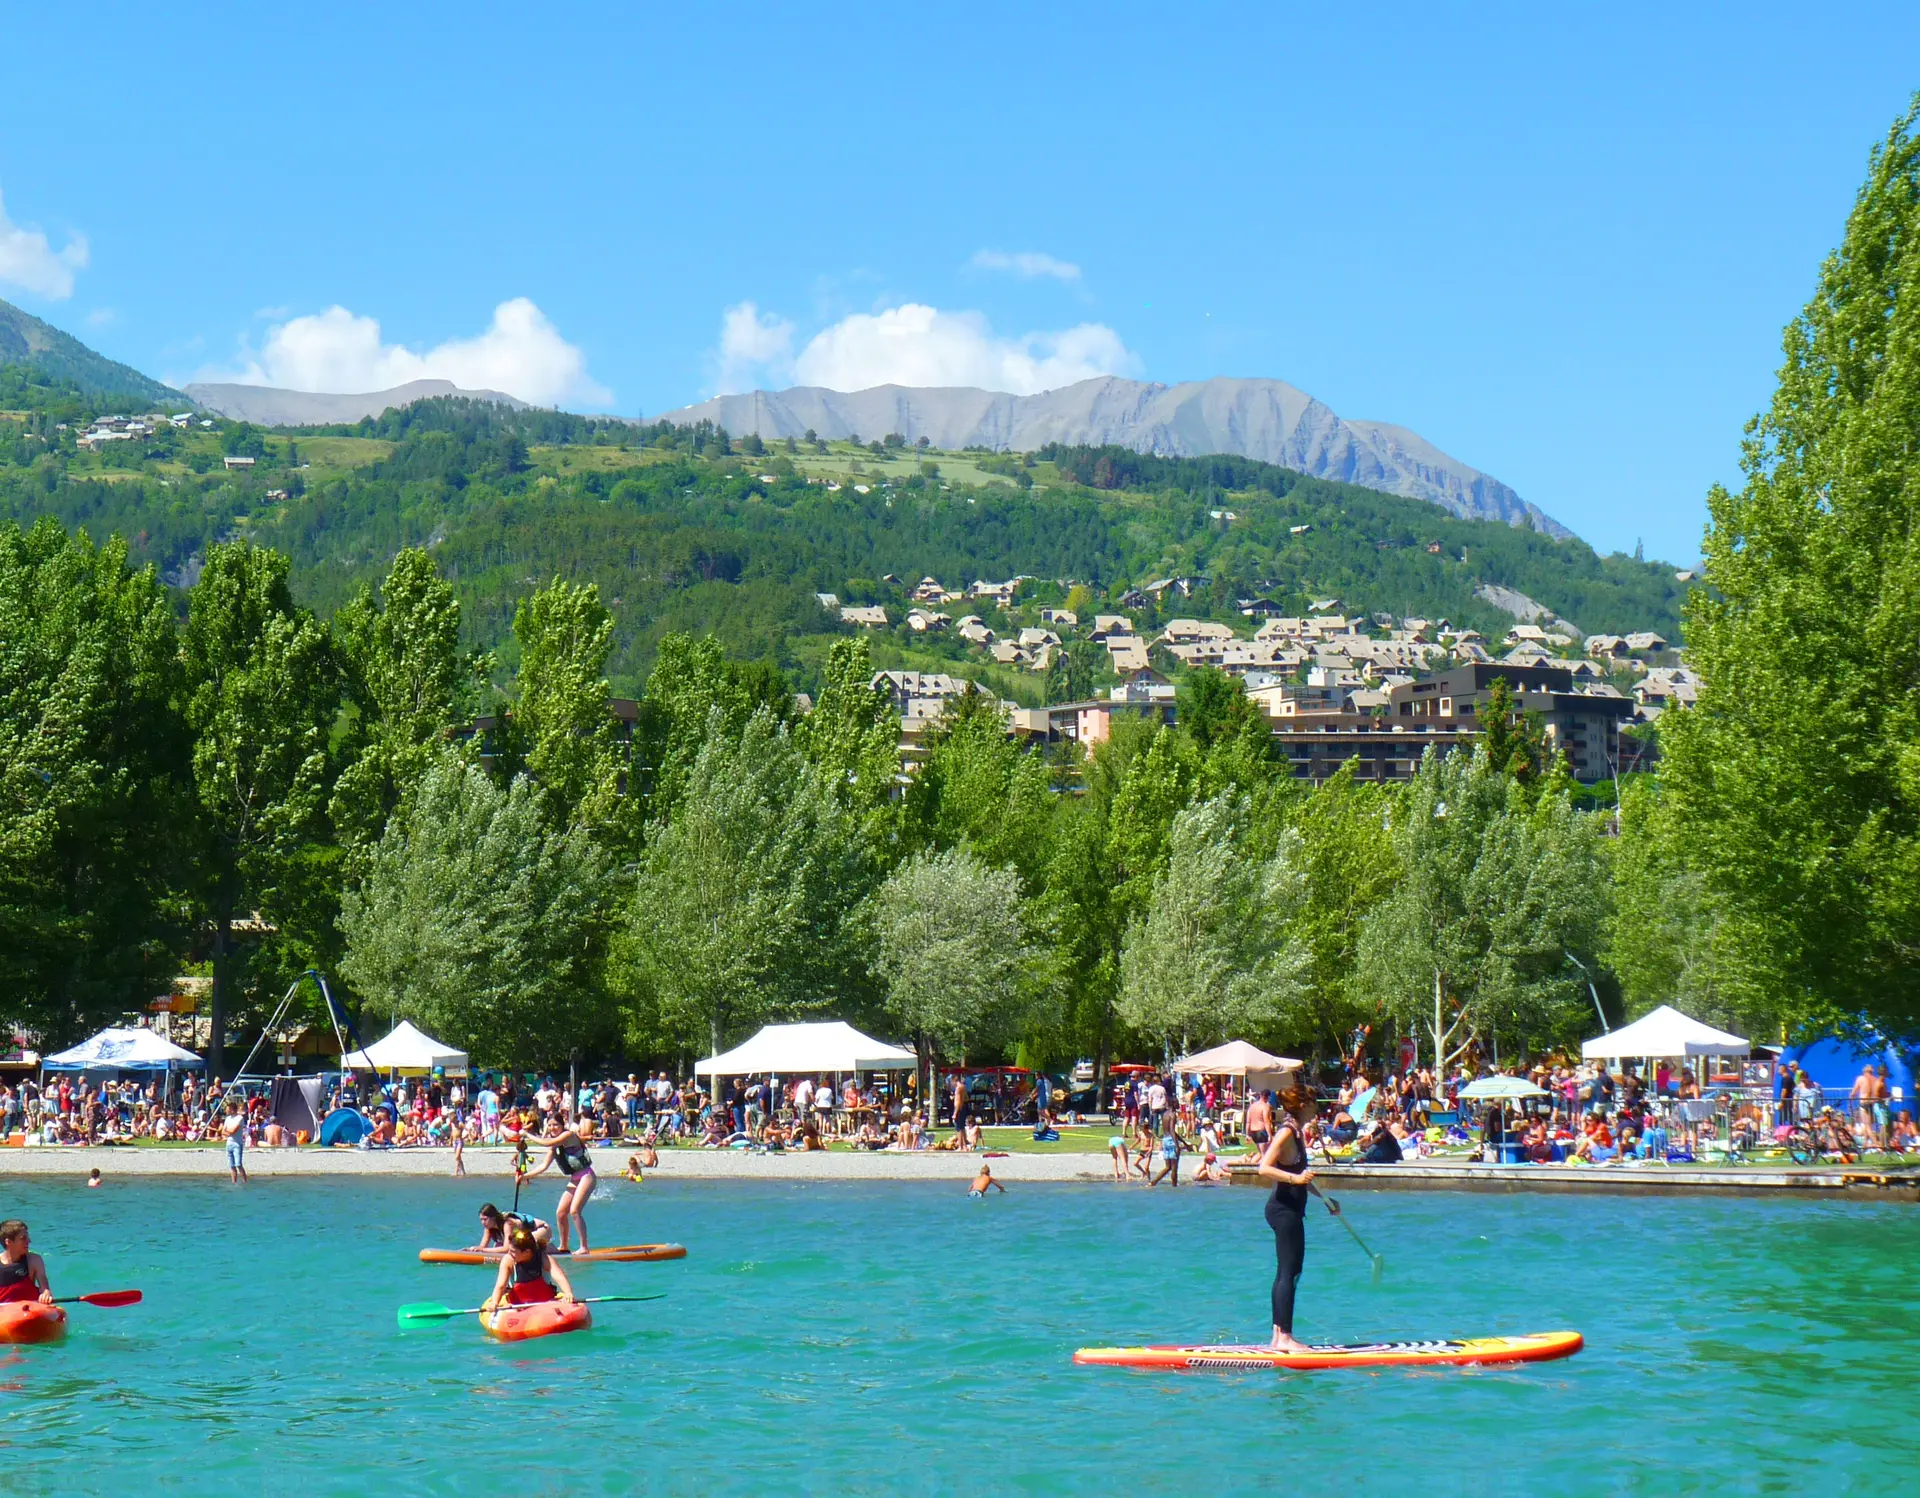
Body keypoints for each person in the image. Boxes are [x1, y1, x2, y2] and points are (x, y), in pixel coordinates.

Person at [1255, 1087, 1328, 1354]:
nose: (1317, 1106)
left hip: (1293, 1209)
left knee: (1289, 1273)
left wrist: (1325, 1199)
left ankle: (1278, 1337)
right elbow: (1264, 1167)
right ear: (1304, 1104)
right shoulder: (1286, 1132)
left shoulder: (1296, 1132)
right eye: (1314, 1102)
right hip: (1283, 1210)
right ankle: (1284, 1337)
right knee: (1289, 1272)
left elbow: (1299, 1173)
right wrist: (1296, 1180)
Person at [518, 1123, 596, 1252]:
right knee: (560, 1213)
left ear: (561, 1126)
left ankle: (584, 1247)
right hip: (575, 1178)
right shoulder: (554, 1146)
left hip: (586, 1176)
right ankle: (564, 1246)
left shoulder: (568, 1135)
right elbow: (543, 1166)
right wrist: (524, 1176)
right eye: (549, 1125)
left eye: (555, 1125)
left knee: (575, 1211)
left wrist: (527, 1134)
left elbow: (546, 1143)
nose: (552, 1127)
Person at [482, 1225, 578, 1313]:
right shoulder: (508, 1260)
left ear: (527, 1252)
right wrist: (494, 1302)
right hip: (518, 1306)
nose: (509, 1253)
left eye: (513, 1251)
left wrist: (568, 1293)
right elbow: (501, 1285)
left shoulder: (544, 1258)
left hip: (545, 1303)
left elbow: (559, 1276)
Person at [0, 1220, 52, 1304]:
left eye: (27, 1237)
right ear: (8, 1242)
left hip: (29, 1310)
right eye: (23, 1238)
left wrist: (46, 1293)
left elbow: (44, 1287)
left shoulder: (34, 1260)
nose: (29, 1241)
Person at [473, 1202, 551, 1252]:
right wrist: (473, 1249)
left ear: (493, 1217)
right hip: (527, 1234)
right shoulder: (488, 1227)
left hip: (542, 1229)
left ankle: (549, 1248)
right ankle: (543, 1246)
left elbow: (506, 1248)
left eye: (485, 1219)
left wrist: (483, 1250)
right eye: (481, 1220)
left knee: (522, 1246)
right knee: (497, 1246)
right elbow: (482, 1247)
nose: (483, 1222)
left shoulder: (507, 1223)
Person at [220, 1097, 248, 1184]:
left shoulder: (239, 1118)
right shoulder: (228, 1119)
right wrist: (228, 1132)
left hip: (237, 1144)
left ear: (232, 1109)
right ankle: (234, 1182)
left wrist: (228, 1131)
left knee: (238, 1164)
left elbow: (233, 1131)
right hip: (229, 1144)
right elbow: (222, 1131)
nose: (226, 1110)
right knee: (232, 1166)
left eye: (228, 1109)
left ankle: (244, 1181)